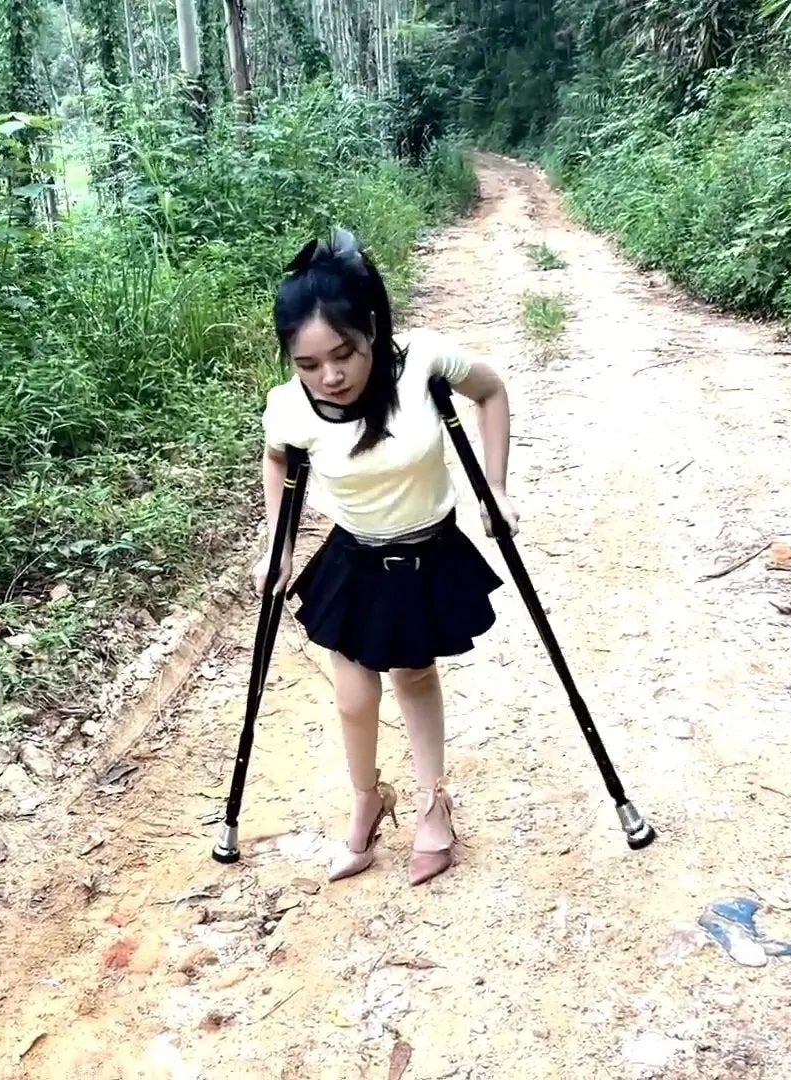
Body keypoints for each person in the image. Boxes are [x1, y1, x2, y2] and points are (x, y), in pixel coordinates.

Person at [255, 227, 516, 886]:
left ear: (372, 328)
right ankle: (368, 800)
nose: (330, 376)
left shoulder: (423, 361)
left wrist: (497, 490)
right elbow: (279, 458)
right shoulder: (291, 406)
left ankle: (435, 806)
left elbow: (491, 392)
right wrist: (278, 544)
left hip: (427, 549)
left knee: (413, 673)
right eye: (308, 363)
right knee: (352, 696)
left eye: (343, 354)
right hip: (355, 554)